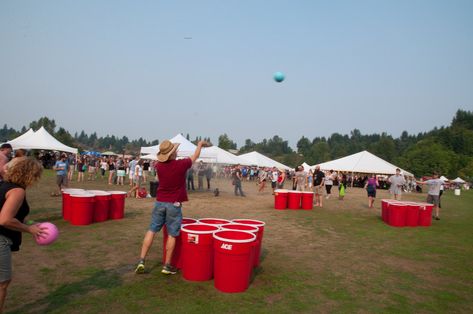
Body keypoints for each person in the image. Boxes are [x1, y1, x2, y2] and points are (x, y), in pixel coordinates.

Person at [135, 140, 207, 275]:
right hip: (173, 204)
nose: (177, 151)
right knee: (172, 235)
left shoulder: (159, 166)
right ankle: (167, 266)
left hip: (160, 201)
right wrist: (199, 145)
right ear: (172, 153)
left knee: (152, 230)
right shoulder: (180, 164)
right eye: (175, 150)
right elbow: (195, 156)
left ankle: (141, 261)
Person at [0, 158, 45, 312]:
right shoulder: (18, 191)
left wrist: (29, 222)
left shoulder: (4, 185)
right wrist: (29, 229)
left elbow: (12, 212)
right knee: (2, 283)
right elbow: (5, 219)